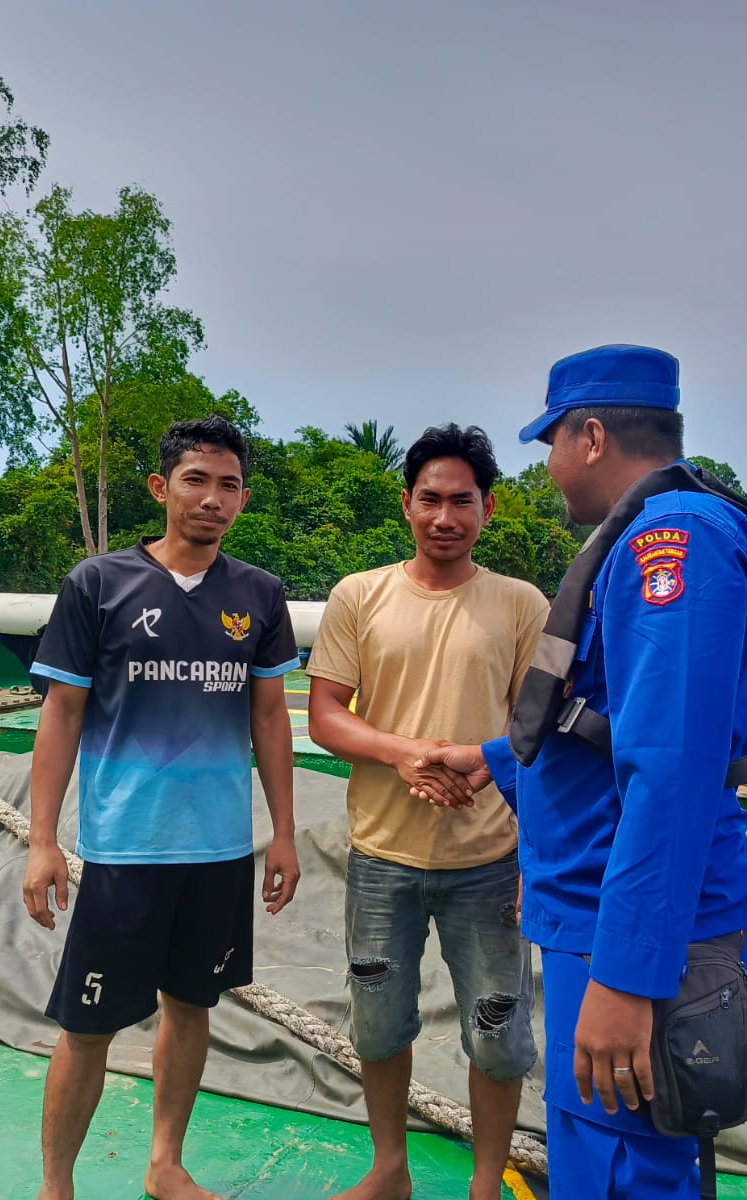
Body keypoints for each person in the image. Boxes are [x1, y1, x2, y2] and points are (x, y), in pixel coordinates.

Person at [415, 346, 747, 1200]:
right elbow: (604, 722)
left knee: (623, 1166)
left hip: (633, 928)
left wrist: (626, 975)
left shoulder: (672, 543)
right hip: (597, 909)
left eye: (551, 444)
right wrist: (490, 760)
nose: (548, 467)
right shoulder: (655, 533)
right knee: (594, 1150)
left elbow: (671, 774)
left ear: (589, 436)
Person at [22, 415, 303, 1200]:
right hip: (125, 850)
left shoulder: (259, 594)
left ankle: (165, 1164)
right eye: (196, 480)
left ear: (243, 498)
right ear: (161, 487)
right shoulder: (97, 584)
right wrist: (42, 840)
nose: (213, 499)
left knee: (191, 1007)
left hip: (219, 850)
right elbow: (62, 713)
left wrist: (284, 834)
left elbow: (271, 716)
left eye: (229, 485)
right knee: (87, 1026)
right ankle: (56, 1185)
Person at [305, 423, 549, 1200]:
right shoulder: (360, 596)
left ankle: (485, 1183)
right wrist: (404, 753)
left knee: (498, 1033)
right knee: (378, 1026)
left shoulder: (521, 605)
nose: (446, 517)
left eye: (462, 501)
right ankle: (390, 1170)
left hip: (491, 860)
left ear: (488, 509)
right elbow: (325, 715)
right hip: (383, 856)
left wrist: (489, 782)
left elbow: (536, 732)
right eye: (431, 499)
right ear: (406, 504)